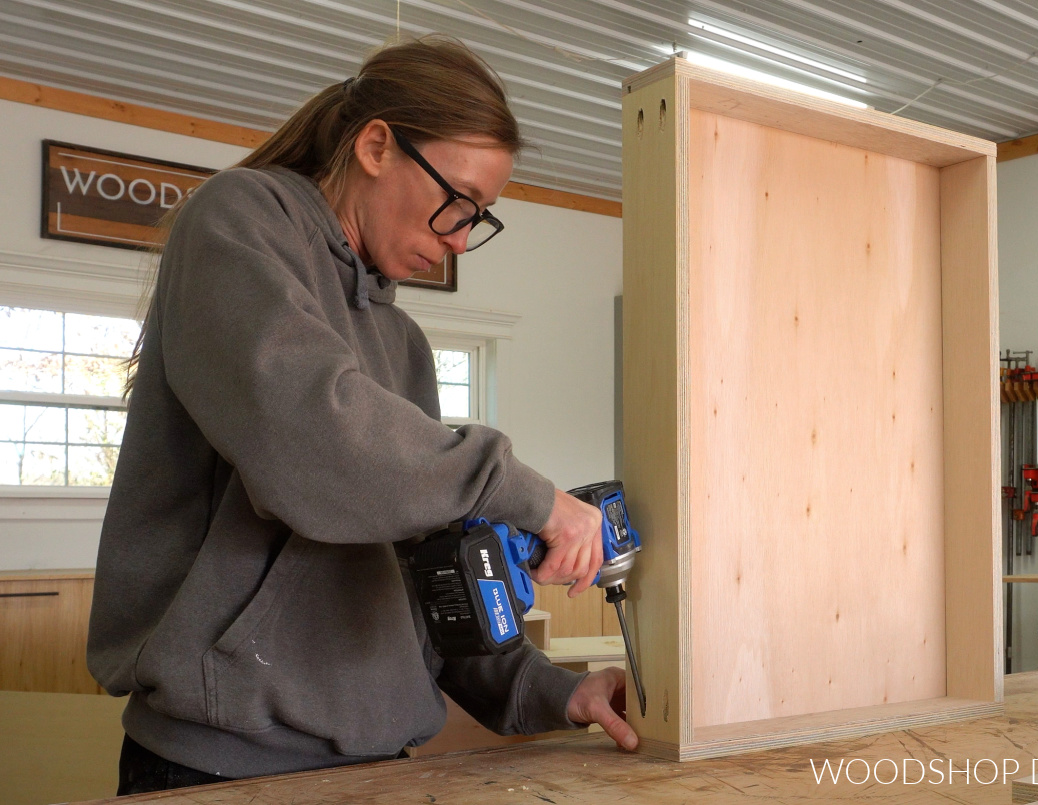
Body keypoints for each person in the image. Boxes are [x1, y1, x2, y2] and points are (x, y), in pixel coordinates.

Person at [87, 35, 637, 795]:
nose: (459, 240)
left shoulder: (402, 341)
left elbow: (431, 575)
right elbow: (314, 440)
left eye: (480, 217)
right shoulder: (236, 222)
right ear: (378, 145)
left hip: (375, 764)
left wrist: (549, 689)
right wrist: (532, 497)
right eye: (458, 201)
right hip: (222, 764)